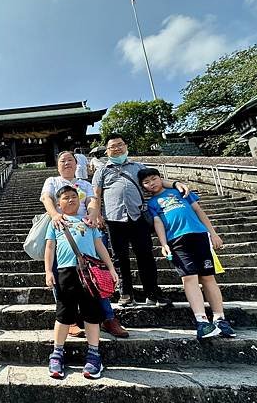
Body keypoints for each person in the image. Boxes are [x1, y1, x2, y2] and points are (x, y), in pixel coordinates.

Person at [89, 133, 189, 307]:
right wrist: (97, 215)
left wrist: (175, 184)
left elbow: (155, 181)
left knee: (146, 256)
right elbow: (96, 195)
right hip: (114, 219)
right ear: (107, 151)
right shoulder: (102, 171)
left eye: (120, 145)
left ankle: (152, 293)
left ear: (126, 146)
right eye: (113, 146)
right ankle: (126, 293)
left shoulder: (138, 166)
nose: (117, 148)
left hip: (138, 216)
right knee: (120, 258)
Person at [139, 168, 236, 340]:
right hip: (176, 240)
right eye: (146, 182)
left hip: (199, 235)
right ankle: (202, 321)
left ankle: (220, 319)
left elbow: (198, 210)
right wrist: (163, 244)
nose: (151, 183)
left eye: (154, 179)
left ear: (160, 178)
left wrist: (212, 233)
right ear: (143, 187)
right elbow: (157, 223)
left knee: (208, 277)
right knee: (189, 277)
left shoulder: (178, 191)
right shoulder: (152, 204)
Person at [40, 151, 129, 338]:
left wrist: (93, 214)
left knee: (98, 275)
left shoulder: (85, 184)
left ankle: (108, 317)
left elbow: (92, 201)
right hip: (61, 227)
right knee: (60, 278)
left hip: (87, 230)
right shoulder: (52, 181)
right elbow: (46, 198)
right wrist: (55, 215)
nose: (66, 163)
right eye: (62, 161)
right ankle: (69, 319)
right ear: (57, 165)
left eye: (70, 160)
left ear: (77, 164)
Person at [45, 185, 119, 379]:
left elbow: (99, 245)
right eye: (66, 198)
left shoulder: (88, 221)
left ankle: (94, 354)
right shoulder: (56, 222)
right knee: (63, 314)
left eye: (74, 197)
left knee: (92, 313)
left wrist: (111, 268)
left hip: (89, 274)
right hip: (65, 272)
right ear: (58, 204)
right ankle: (57, 352)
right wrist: (48, 272)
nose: (71, 200)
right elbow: (50, 248)